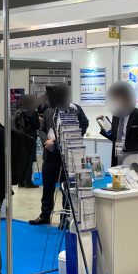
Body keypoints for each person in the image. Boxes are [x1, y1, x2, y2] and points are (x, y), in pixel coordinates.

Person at [30, 83, 89, 226]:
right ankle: (45, 215)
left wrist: (59, 142)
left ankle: (65, 219)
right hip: (49, 155)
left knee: (66, 189)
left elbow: (83, 126)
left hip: (67, 156)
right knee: (47, 188)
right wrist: (46, 141)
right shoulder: (49, 110)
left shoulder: (75, 110)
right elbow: (42, 129)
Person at [99, 81, 138, 166]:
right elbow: (115, 137)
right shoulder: (116, 115)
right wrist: (104, 126)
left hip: (136, 158)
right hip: (118, 156)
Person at [14, 94, 40, 188]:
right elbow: (37, 125)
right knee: (29, 160)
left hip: (19, 138)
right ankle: (28, 181)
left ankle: (21, 181)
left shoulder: (18, 111)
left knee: (21, 160)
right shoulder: (32, 112)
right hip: (30, 138)